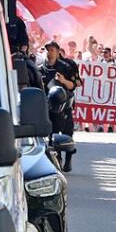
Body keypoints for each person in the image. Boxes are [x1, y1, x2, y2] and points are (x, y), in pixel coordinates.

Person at [40, 41, 79, 171]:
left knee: (67, 133)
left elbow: (74, 85)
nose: (49, 52)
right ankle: (56, 159)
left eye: (52, 50)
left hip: (64, 105)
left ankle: (68, 159)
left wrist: (63, 81)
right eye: (47, 50)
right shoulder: (40, 68)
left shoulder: (65, 67)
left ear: (57, 51)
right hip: (48, 106)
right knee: (52, 135)